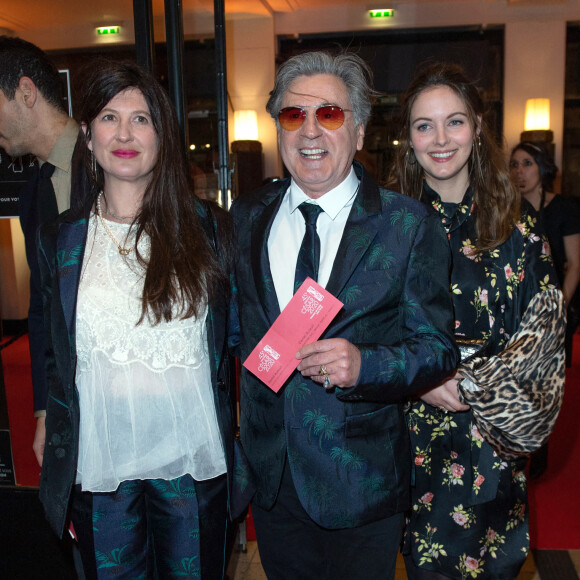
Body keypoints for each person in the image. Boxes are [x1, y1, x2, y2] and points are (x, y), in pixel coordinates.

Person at [228, 51, 459, 580]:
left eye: (329, 114)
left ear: (357, 132)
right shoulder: (247, 216)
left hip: (361, 481)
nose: (310, 130)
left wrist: (364, 366)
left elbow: (436, 348)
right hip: (273, 475)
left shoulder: (406, 223)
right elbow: (234, 335)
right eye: (293, 115)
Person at [38, 60, 236, 579]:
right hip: (101, 464)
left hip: (191, 465)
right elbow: (51, 340)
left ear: (162, 135)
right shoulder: (61, 237)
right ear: (87, 134)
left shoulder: (208, 228)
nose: (124, 133)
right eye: (109, 117)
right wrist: (45, 417)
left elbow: (236, 335)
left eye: (141, 119)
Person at [389, 62, 564, 579]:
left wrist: (477, 387)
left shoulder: (519, 225)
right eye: (424, 125)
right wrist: (420, 380)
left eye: (455, 122)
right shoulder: (387, 224)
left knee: (495, 565)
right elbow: (365, 331)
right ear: (409, 137)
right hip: (412, 432)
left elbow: (544, 336)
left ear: (478, 128)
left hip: (492, 434)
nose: (440, 139)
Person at [0, 35, 81, 467]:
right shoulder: (33, 192)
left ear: (25, 92)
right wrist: (45, 412)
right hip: (69, 403)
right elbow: (42, 306)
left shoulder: (112, 158)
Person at [509, 141, 580, 364]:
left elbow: (575, 265)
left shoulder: (563, 208)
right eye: (514, 164)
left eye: (527, 163)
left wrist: (559, 308)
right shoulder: (506, 210)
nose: (519, 171)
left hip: (553, 306)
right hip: (515, 310)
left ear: (542, 167)